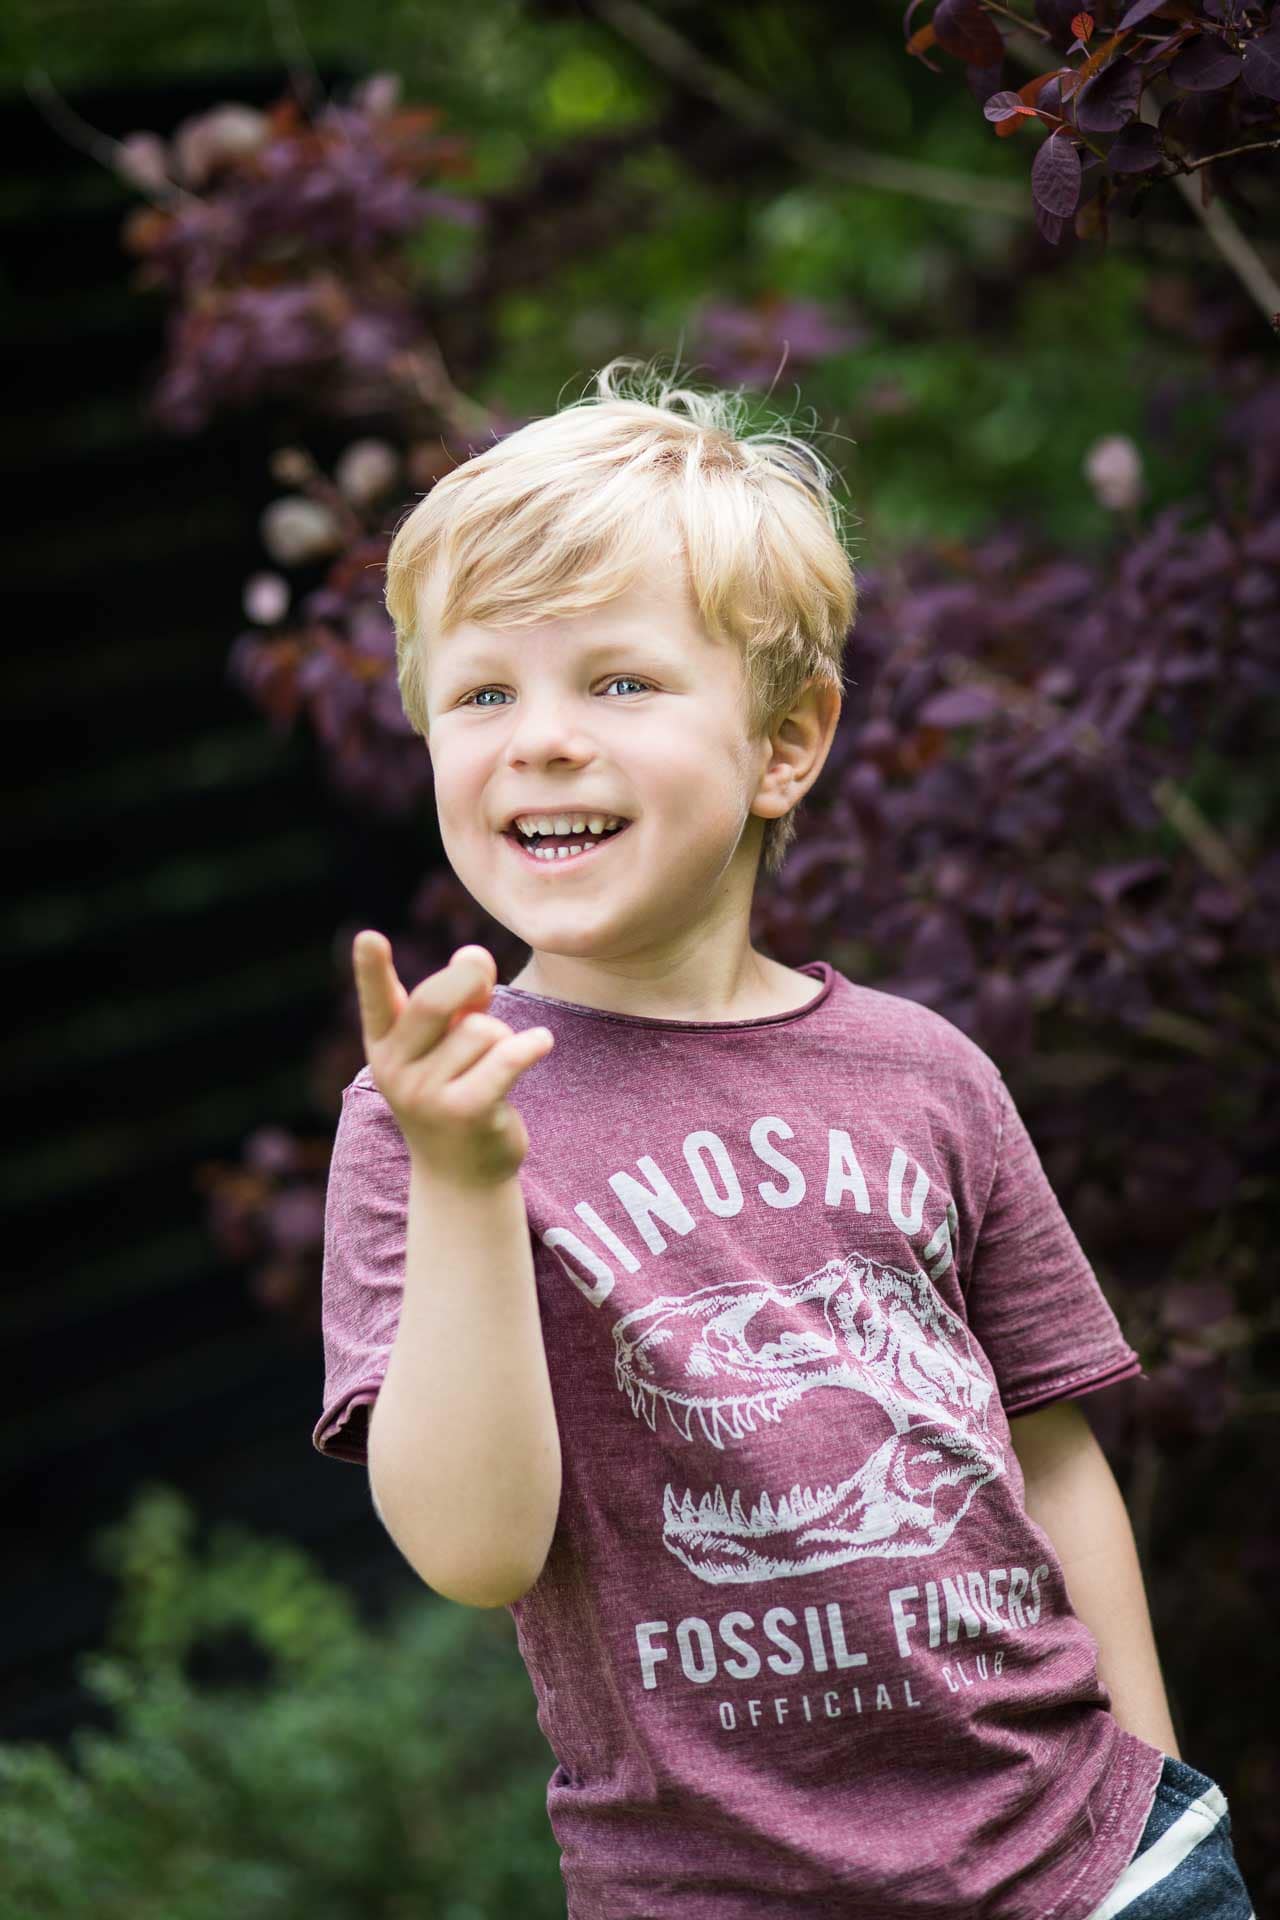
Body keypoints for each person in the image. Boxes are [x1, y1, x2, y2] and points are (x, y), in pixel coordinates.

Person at [311, 357, 1256, 1918]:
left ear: (785, 743)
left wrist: (1161, 1803)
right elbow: (477, 1551)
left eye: (617, 681)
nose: (539, 739)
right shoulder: (428, 1117)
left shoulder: (923, 1073)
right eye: (483, 692)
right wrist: (472, 1180)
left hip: (1092, 1865)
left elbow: (1048, 1449)